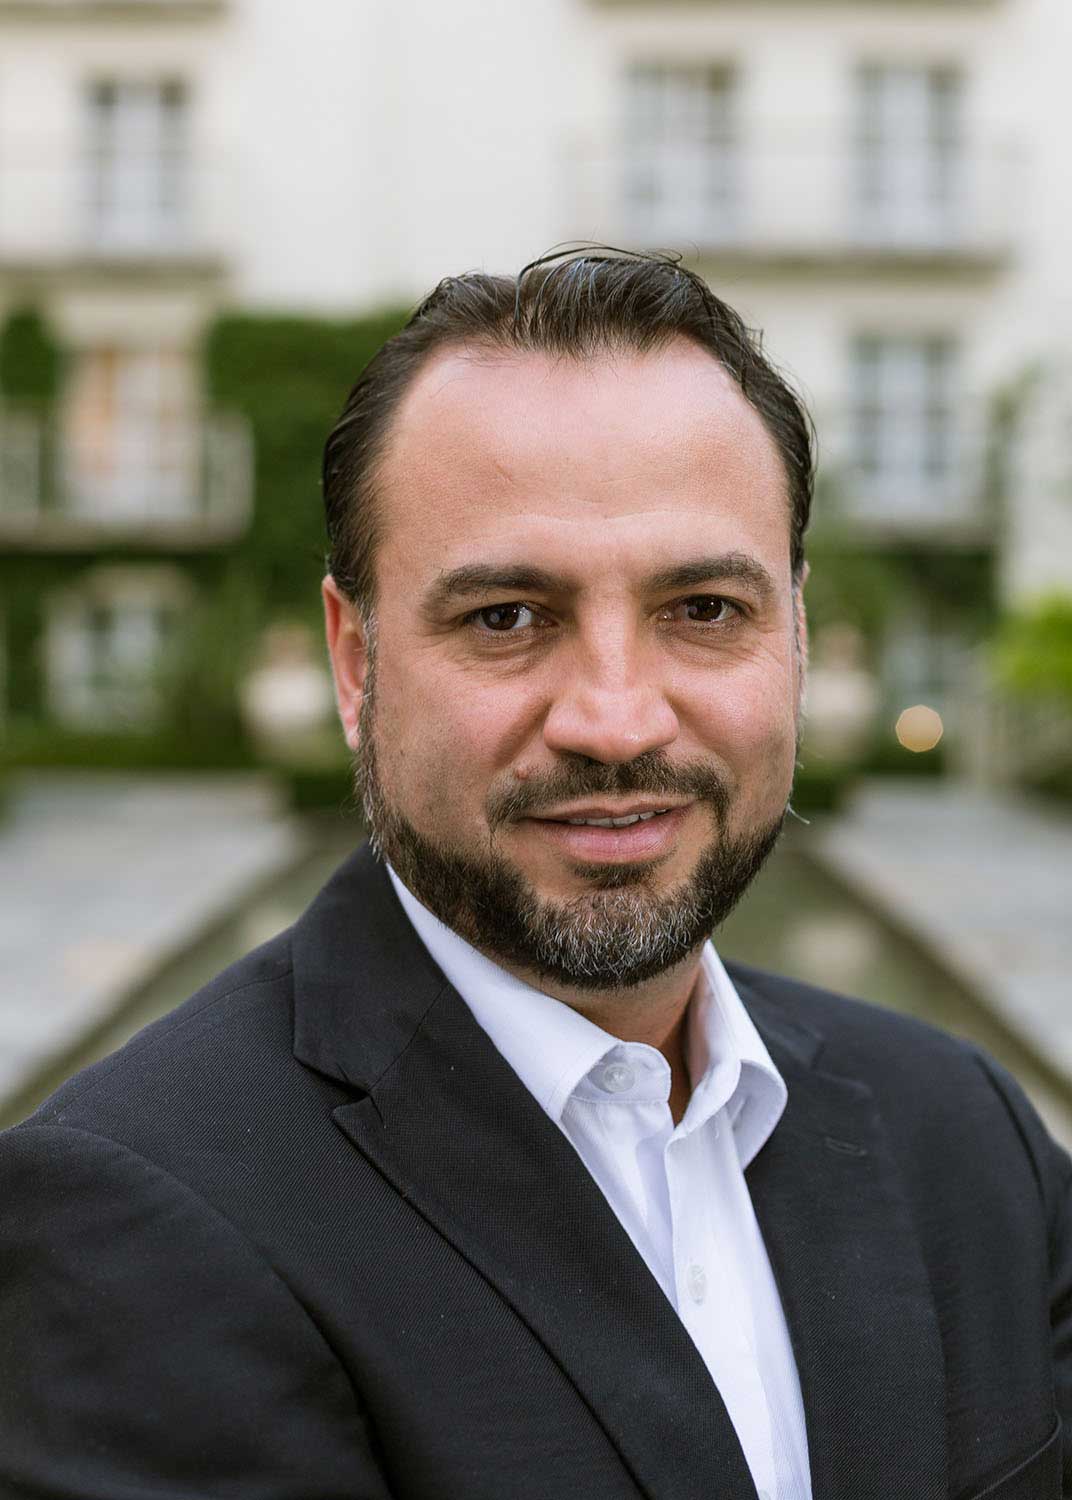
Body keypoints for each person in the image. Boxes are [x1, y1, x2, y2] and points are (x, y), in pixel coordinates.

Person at [1, 250, 1068, 1500]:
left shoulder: (967, 1135)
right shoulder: (133, 1218)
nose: (615, 722)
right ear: (356, 664)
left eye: (703, 609)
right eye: (506, 617)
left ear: (794, 633)